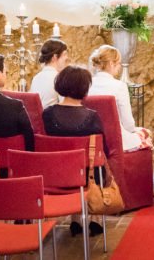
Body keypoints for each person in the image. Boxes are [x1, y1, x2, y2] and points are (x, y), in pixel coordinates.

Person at [42, 65, 105, 238]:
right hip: (84, 177)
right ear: (85, 89)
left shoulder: (46, 115)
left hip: (53, 176)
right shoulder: (92, 117)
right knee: (96, 160)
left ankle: (75, 218)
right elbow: (101, 150)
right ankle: (95, 217)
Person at [89, 45, 152, 151]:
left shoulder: (86, 84)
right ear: (111, 63)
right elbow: (128, 124)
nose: (119, 67)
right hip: (116, 140)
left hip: (92, 140)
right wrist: (135, 130)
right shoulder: (119, 86)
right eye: (118, 63)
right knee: (147, 133)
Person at [29, 38, 69, 108]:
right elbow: (67, 108)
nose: (67, 58)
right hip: (52, 118)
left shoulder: (36, 78)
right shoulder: (59, 79)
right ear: (54, 57)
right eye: (64, 54)